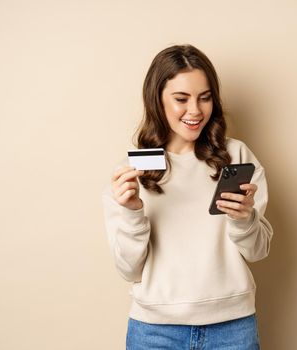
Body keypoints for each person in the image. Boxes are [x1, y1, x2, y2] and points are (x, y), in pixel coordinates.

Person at [102, 44, 273, 349]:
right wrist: (131, 212)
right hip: (155, 333)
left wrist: (245, 219)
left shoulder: (236, 156)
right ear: (158, 100)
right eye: (181, 99)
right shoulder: (131, 173)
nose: (195, 111)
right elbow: (128, 270)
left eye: (204, 98)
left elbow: (258, 251)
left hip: (232, 328)